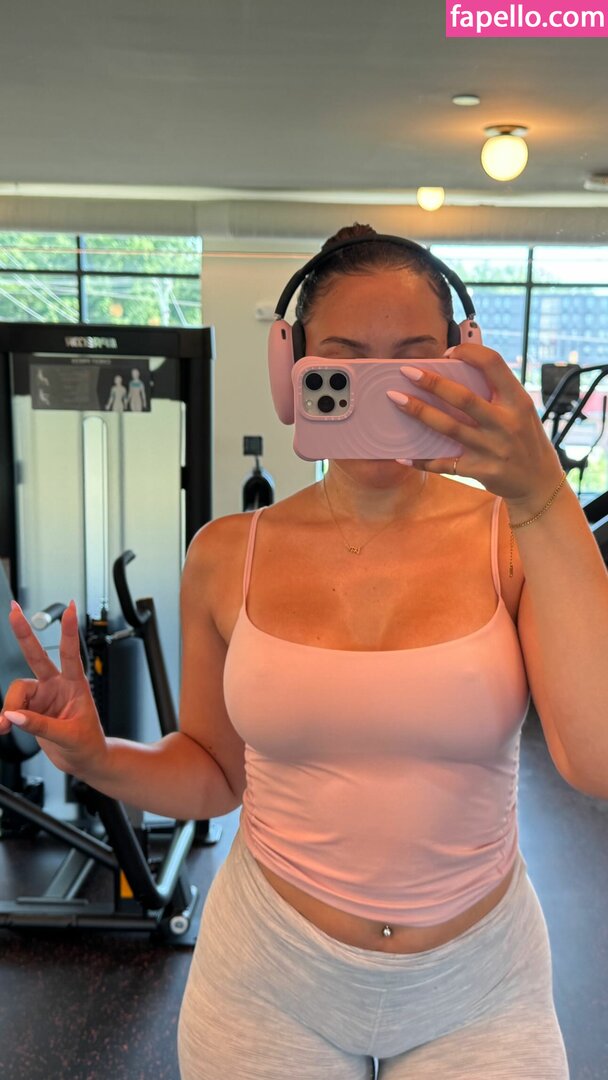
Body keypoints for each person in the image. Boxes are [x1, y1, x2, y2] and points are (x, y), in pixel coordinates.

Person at [7, 221, 606, 1078]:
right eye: (345, 362)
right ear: (291, 369)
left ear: (464, 362)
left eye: (414, 364)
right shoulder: (226, 555)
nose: (382, 395)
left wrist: (542, 489)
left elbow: (598, 758)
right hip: (267, 982)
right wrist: (98, 757)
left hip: (481, 987)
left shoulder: (513, 536)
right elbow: (214, 774)